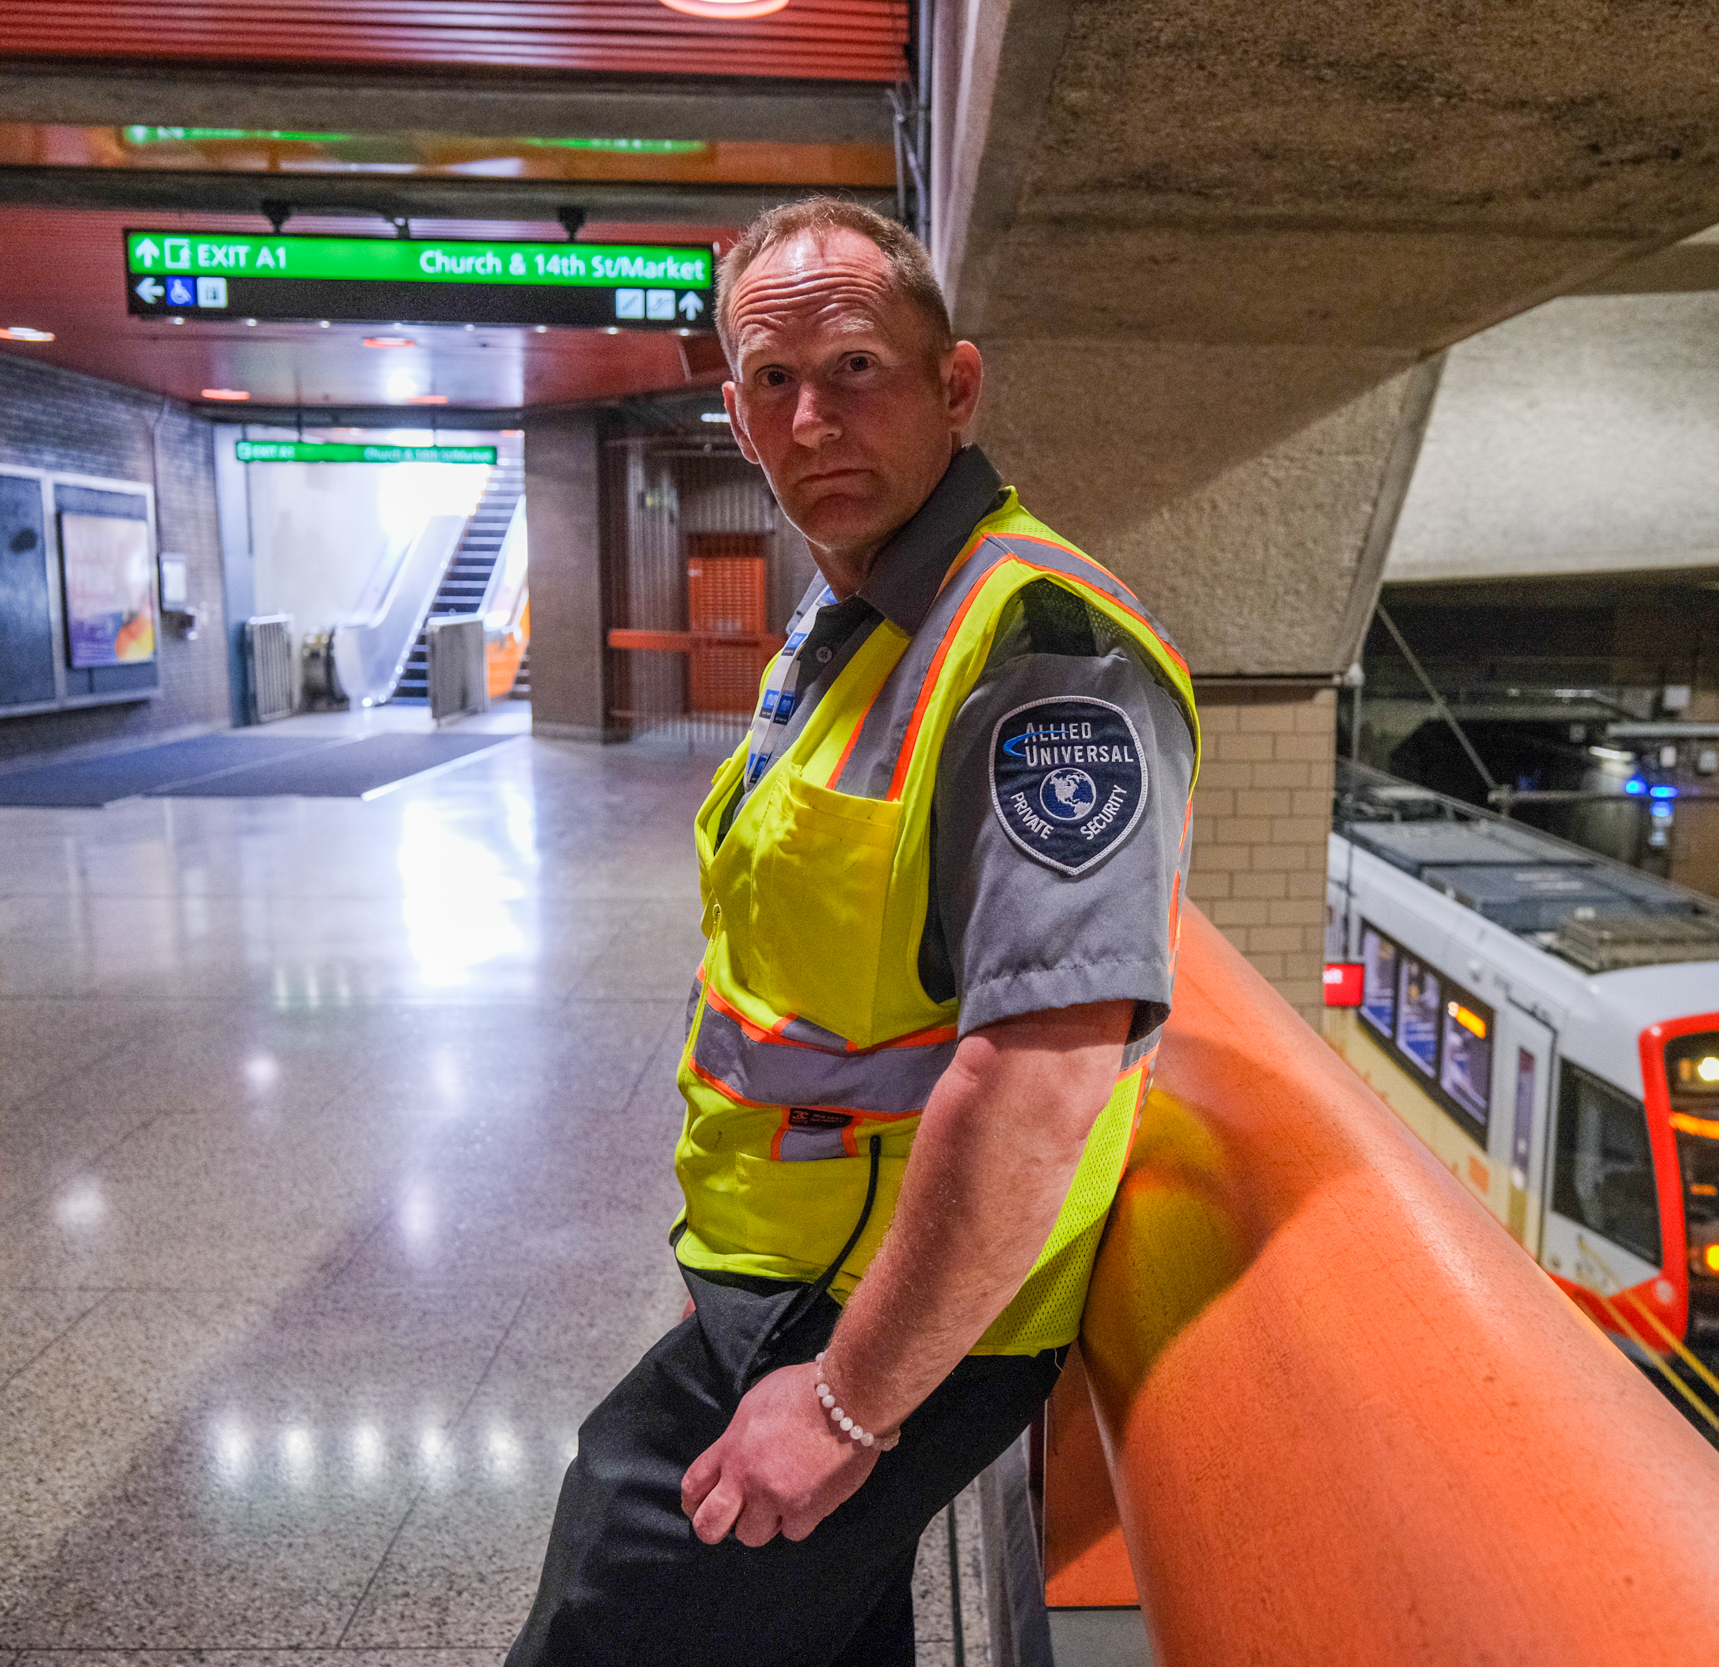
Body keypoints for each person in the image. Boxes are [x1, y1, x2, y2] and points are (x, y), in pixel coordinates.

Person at [503, 201, 1198, 1667]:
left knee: (608, 1601)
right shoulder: (857, 621)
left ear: (956, 387)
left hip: (874, 1316)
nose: (811, 416)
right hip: (790, 1269)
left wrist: (844, 1403)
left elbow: (1043, 1074)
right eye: (769, 381)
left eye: (857, 368)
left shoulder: (1041, 658)